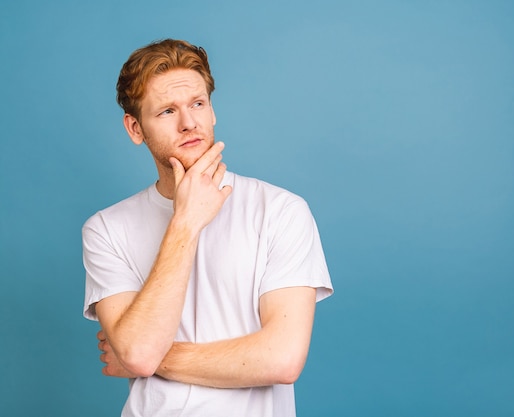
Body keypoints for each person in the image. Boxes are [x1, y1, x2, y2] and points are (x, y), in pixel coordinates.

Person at [82, 38, 333, 417]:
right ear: (135, 129)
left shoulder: (281, 210)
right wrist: (186, 221)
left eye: (198, 104)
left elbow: (282, 360)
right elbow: (136, 352)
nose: (189, 123)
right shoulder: (105, 228)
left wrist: (149, 359)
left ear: (212, 110)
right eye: (167, 111)